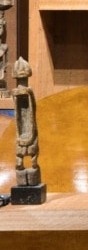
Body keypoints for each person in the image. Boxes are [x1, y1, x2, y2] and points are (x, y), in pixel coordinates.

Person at [13, 57, 40, 187]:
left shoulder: (26, 92)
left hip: (27, 131)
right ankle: (24, 168)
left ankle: (29, 167)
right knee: (24, 158)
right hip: (25, 132)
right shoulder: (23, 93)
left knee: (29, 158)